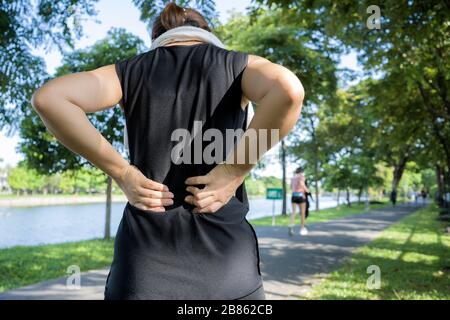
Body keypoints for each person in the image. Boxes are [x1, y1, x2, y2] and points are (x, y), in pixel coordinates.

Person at [30, 2, 304, 300]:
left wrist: (122, 173)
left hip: (142, 271)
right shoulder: (237, 66)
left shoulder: (130, 71)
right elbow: (289, 90)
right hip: (228, 271)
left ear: (158, 38)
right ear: (205, 32)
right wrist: (234, 170)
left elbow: (50, 98)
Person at [289, 167, 309, 236]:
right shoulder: (301, 177)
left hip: (294, 196)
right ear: (301, 172)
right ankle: (302, 229)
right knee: (302, 213)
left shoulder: (292, 178)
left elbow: (291, 187)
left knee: (293, 212)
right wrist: (307, 191)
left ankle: (291, 226)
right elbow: (302, 184)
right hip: (301, 196)